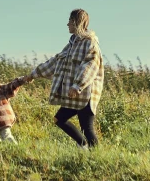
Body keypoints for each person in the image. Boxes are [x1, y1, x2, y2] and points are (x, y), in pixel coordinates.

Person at [25, 8, 104, 148]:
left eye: (69, 21)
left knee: (87, 128)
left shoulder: (90, 42)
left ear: (76, 22)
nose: (67, 24)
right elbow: (55, 62)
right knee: (59, 119)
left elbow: (91, 65)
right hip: (74, 95)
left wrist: (77, 85)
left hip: (85, 94)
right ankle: (84, 146)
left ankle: (98, 157)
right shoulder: (72, 44)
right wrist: (33, 74)